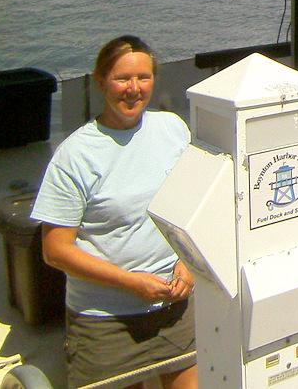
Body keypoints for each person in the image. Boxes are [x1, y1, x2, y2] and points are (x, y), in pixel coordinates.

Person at [31, 36, 198, 389]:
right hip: (105, 322)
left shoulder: (173, 130)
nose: (134, 89)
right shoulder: (75, 155)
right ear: (100, 80)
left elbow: (192, 207)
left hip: (175, 310)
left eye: (144, 77)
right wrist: (132, 283)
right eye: (123, 78)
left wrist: (188, 263)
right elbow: (55, 250)